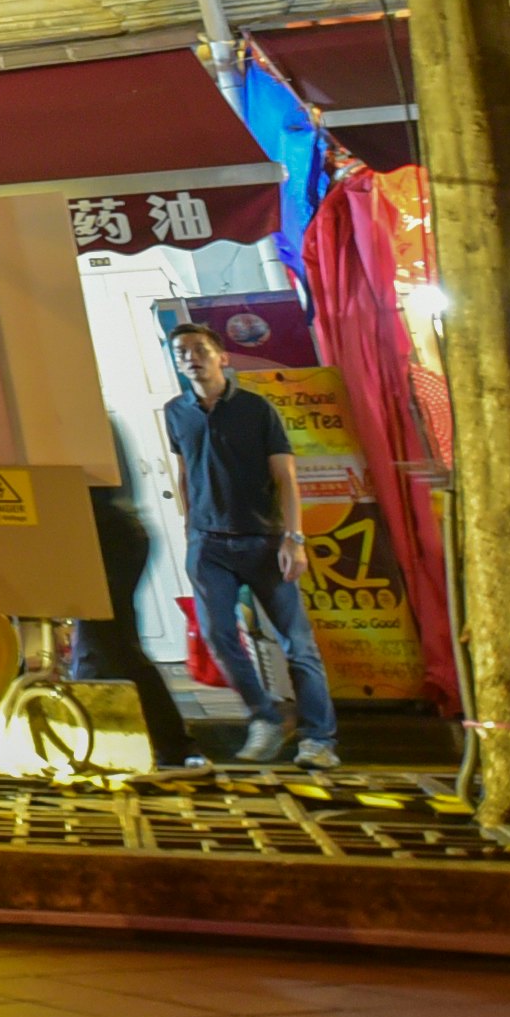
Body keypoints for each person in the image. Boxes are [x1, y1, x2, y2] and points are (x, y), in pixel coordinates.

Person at [160, 324, 338, 768]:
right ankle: (265, 717)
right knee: (220, 637)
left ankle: (319, 740)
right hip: (208, 545)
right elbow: (184, 471)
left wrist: (293, 539)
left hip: (262, 540)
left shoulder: (257, 410)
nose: (190, 358)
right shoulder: (176, 412)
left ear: (223, 358)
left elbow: (286, 477)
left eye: (200, 350)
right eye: (181, 352)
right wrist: (189, 528)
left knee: (297, 643)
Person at [73, 413, 195, 767]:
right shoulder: (85, 418)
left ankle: (175, 745)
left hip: (110, 537)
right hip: (116, 535)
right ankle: (110, 741)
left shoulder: (81, 422)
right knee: (95, 649)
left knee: (111, 645)